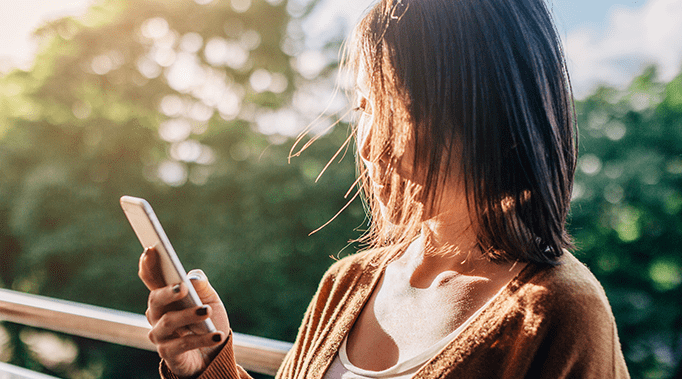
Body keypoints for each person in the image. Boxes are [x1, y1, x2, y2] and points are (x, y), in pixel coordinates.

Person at [139, 0, 631, 377]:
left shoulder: (560, 314)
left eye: (395, 110)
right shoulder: (347, 285)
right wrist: (208, 362)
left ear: (482, 114)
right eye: (364, 109)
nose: (370, 146)